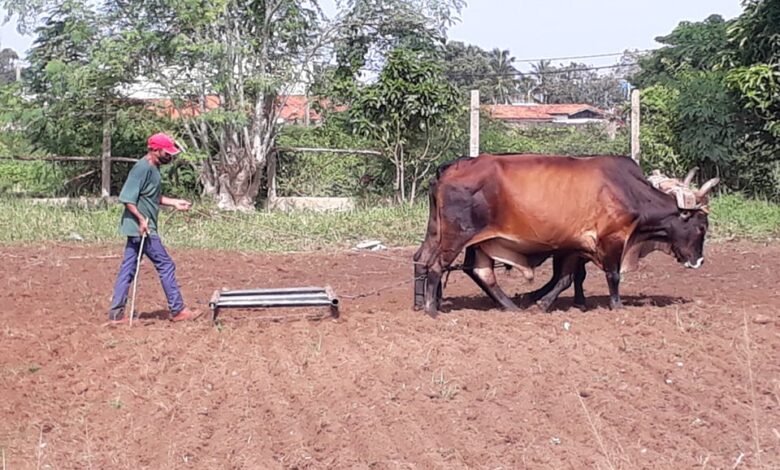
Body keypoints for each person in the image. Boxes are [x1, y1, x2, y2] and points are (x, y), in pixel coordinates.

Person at [106, 132, 202, 324]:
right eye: (167, 152)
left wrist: (174, 202)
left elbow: (151, 196)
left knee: (128, 268)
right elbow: (126, 198)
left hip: (139, 228)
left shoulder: (154, 169)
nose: (170, 156)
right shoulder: (142, 169)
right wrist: (142, 220)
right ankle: (178, 310)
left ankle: (116, 314)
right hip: (143, 229)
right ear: (155, 150)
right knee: (166, 264)